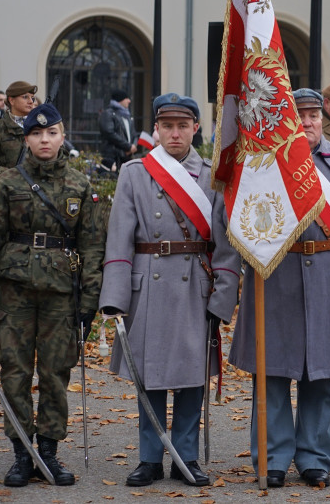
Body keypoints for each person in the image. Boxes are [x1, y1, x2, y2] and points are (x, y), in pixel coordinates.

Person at [0, 103, 104, 488]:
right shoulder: (7, 183)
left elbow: (92, 248)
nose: (44, 140)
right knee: (15, 375)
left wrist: (90, 303)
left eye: (51, 133)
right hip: (15, 295)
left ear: (62, 136)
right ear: (27, 138)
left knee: (56, 375)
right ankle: (23, 453)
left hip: (61, 297)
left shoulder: (78, 186)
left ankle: (49, 453)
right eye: (37, 134)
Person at [99, 93, 240, 488]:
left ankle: (185, 457)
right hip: (148, 284)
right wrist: (114, 297)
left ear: (196, 128)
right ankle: (149, 459)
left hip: (195, 284)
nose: (175, 133)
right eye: (167, 126)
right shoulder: (134, 172)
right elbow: (119, 239)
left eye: (182, 126)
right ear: (156, 129)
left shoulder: (214, 175)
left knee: (192, 376)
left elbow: (226, 247)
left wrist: (223, 297)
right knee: (150, 374)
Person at [230, 88, 330, 488]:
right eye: (296, 115)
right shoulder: (259, 164)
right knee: (271, 372)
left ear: (322, 118)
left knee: (320, 375)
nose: (305, 122)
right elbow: (236, 219)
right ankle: (272, 458)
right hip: (276, 274)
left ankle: (315, 458)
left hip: (329, 275)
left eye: (311, 115)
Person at [99, 88, 137, 170]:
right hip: (113, 157)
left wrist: (133, 146)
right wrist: (128, 147)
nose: (129, 101)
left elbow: (134, 134)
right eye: (126, 98)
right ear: (120, 100)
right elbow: (109, 133)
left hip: (126, 156)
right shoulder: (108, 114)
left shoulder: (127, 116)